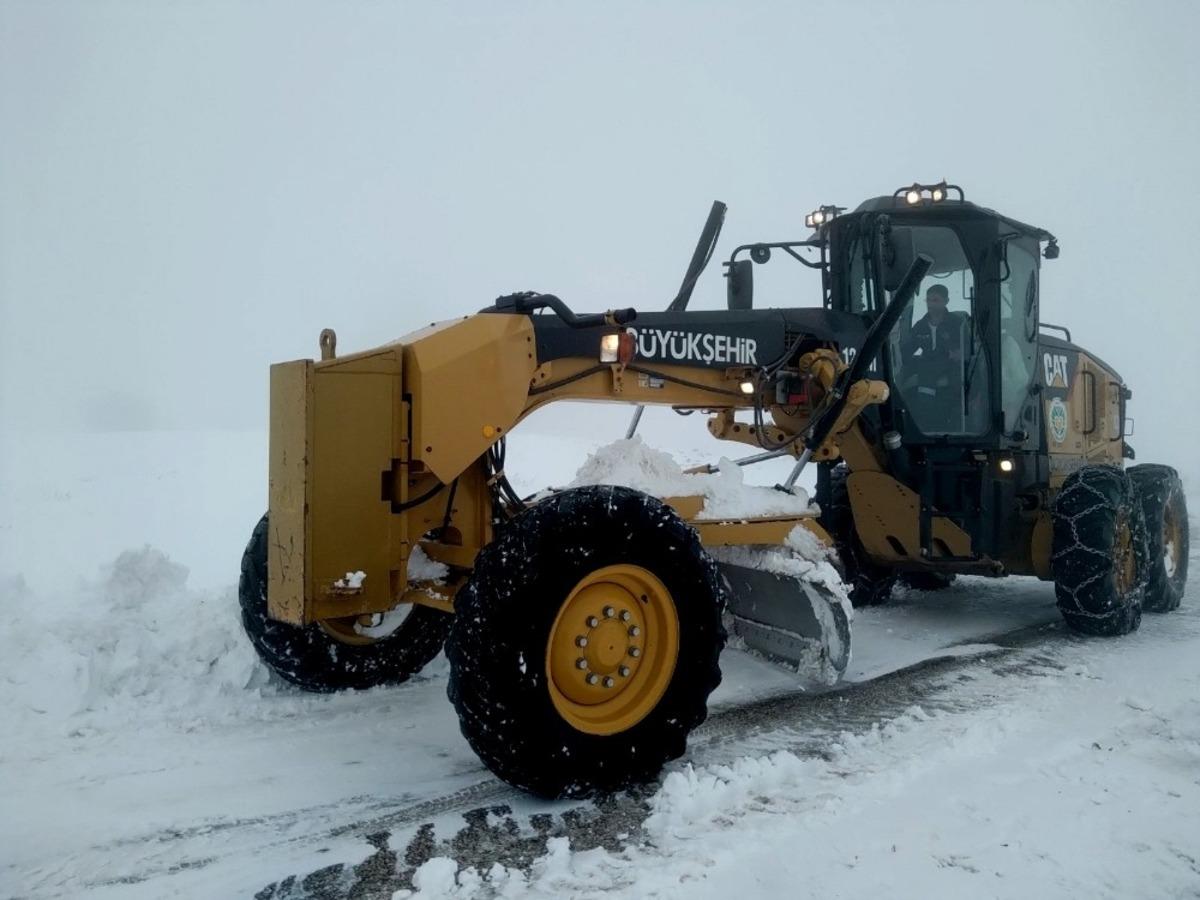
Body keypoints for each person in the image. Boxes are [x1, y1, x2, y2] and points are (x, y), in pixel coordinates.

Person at [899, 284, 966, 431]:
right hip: (928, 372)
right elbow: (907, 351)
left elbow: (969, 350)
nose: (931, 304)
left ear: (946, 301)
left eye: (935, 300)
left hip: (953, 372)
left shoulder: (958, 324)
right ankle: (925, 426)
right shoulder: (920, 326)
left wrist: (960, 354)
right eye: (928, 300)